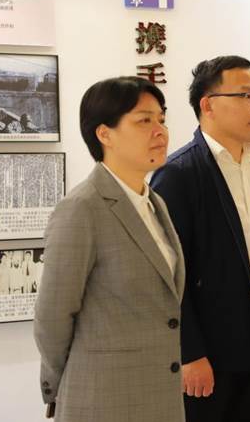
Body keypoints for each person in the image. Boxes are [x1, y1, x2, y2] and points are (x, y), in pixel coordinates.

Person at [150, 56, 250, 422]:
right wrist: (189, 352)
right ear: (208, 105)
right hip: (209, 343)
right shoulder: (178, 174)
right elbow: (166, 275)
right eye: (246, 96)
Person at [33, 76, 186, 422]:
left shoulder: (154, 202)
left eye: (161, 119)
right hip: (102, 397)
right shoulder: (82, 208)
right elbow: (52, 317)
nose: (160, 131)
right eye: (144, 120)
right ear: (104, 134)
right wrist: (63, 384)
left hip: (159, 396)